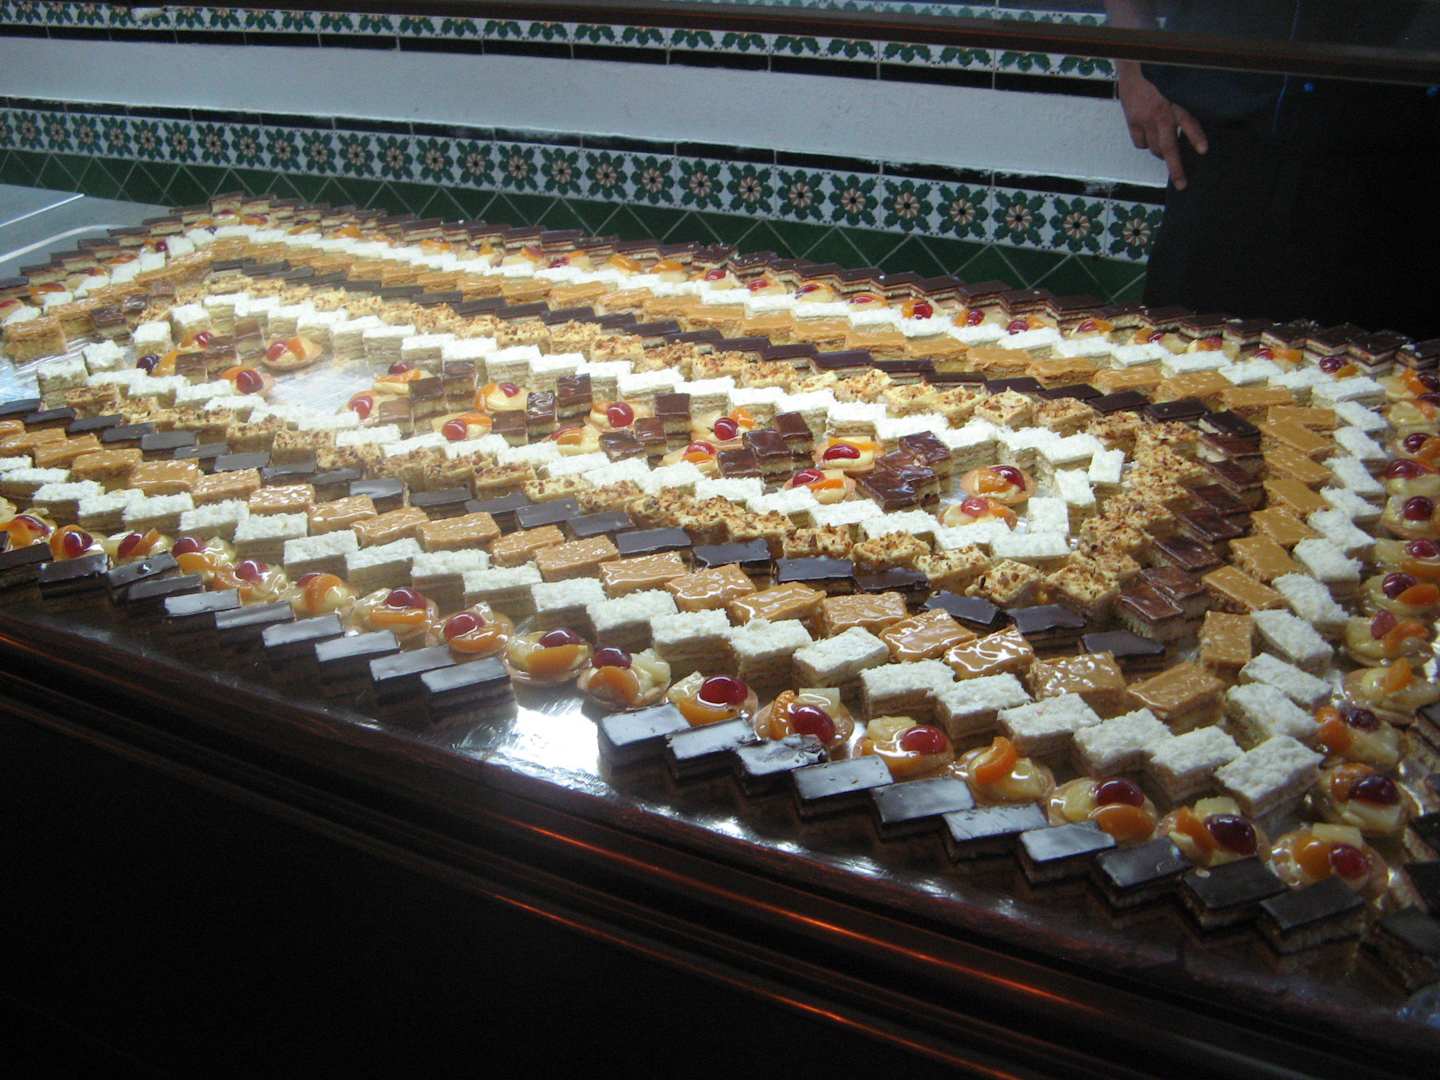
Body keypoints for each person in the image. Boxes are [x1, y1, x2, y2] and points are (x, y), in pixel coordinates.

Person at [1105, 1, 1440, 339]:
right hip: (1223, 148)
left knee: (1396, 364)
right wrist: (1134, 65)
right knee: (1180, 353)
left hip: (1406, 166)